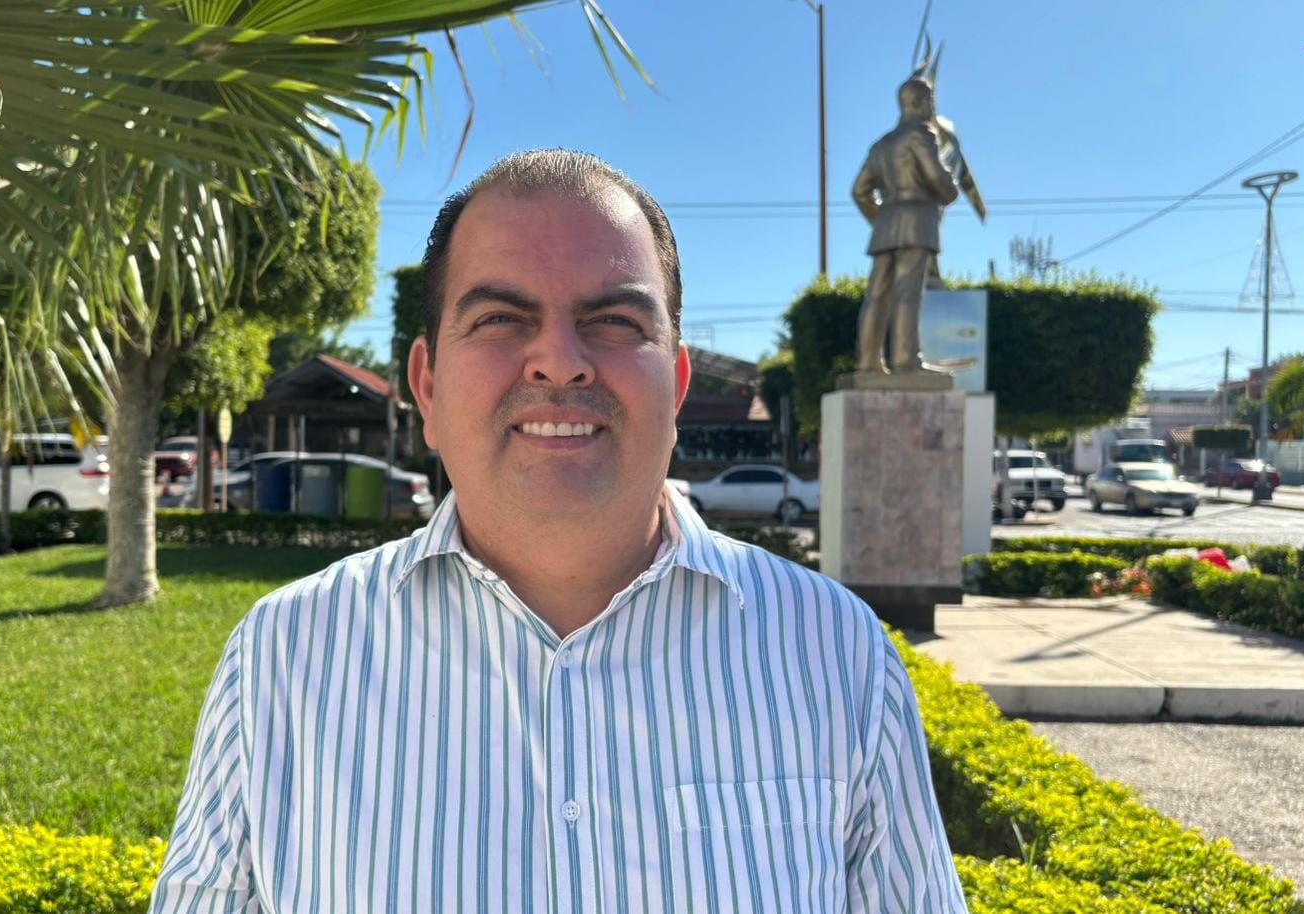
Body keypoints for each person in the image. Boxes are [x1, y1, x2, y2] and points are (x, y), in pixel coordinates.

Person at [149, 149, 968, 913]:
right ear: (427, 387)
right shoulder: (284, 660)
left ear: (677, 383)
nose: (559, 360)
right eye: (501, 319)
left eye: (614, 321)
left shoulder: (837, 656)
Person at [851, 77, 960, 378]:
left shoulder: (881, 145)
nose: (932, 107)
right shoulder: (920, 134)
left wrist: (881, 219)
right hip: (917, 220)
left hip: (886, 224)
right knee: (907, 293)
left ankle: (867, 362)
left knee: (877, 294)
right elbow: (936, 177)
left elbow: (859, 191)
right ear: (919, 102)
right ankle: (905, 361)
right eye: (930, 101)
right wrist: (950, 189)